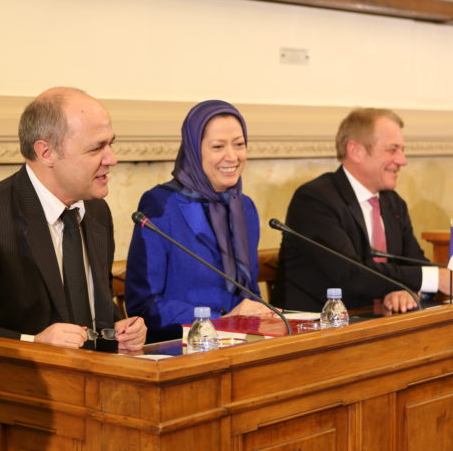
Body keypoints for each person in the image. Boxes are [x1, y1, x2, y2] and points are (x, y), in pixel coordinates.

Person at [0, 87, 146, 350]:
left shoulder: (97, 211)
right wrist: (33, 342)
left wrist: (119, 332)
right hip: (22, 384)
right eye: (96, 148)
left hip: (99, 381)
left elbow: (91, 308)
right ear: (46, 153)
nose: (112, 158)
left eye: (111, 144)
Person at [272, 108, 450, 313]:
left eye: (402, 150)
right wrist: (434, 279)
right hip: (317, 330)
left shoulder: (393, 203)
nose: (403, 160)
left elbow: (415, 263)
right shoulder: (314, 200)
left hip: (381, 324)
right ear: (356, 151)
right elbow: (351, 275)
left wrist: (407, 291)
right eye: (393, 150)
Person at [125, 100, 274, 341]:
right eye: (218, 146)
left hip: (241, 344)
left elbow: (249, 293)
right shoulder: (160, 204)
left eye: (239, 144)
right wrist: (221, 318)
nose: (232, 156)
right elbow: (144, 306)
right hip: (181, 347)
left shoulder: (244, 208)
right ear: (194, 150)